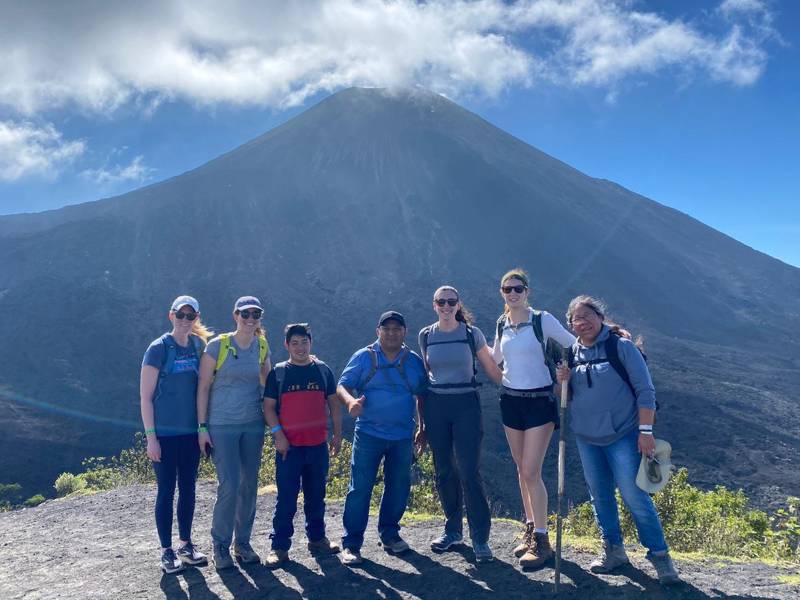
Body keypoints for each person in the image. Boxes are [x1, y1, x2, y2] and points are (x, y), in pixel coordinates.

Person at [557, 295, 680, 585]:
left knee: (634, 496)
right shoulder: (572, 352)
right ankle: (614, 551)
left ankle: (660, 557)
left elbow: (645, 390)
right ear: (571, 325)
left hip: (623, 435)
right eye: (576, 319)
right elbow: (567, 395)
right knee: (600, 496)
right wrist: (562, 380)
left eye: (587, 316)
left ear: (600, 317)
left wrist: (645, 432)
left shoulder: (620, 347)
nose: (582, 322)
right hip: (587, 437)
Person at [489, 269, 575, 569]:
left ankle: (542, 540)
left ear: (527, 292)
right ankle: (530, 529)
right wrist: (465, 339)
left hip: (539, 401)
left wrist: (565, 373)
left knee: (530, 470)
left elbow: (573, 344)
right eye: (507, 289)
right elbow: (496, 358)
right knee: (520, 470)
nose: (513, 294)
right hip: (510, 401)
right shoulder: (502, 324)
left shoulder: (542, 320)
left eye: (518, 289)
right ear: (502, 293)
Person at [416, 285, 503, 562]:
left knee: (469, 472)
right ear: (434, 305)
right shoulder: (426, 335)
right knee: (444, 471)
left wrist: (523, 386)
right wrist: (422, 423)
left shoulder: (471, 334)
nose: (445, 306)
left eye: (450, 301)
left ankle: (480, 539)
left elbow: (492, 370)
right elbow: (427, 376)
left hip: (466, 404)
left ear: (457, 304)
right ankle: (453, 530)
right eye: (440, 301)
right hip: (437, 407)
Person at [337, 311, 427, 566]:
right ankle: (351, 543)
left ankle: (390, 534)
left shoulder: (413, 361)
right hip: (368, 434)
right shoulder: (364, 357)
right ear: (378, 331)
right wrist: (350, 402)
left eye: (396, 328)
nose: (391, 333)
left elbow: (422, 395)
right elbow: (342, 385)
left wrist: (424, 426)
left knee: (398, 486)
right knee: (360, 488)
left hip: (402, 436)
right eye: (386, 328)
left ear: (404, 332)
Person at [197, 296, 272, 570]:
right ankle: (220, 545)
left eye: (255, 313)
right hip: (222, 425)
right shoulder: (218, 346)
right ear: (235, 315)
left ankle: (242, 543)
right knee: (229, 485)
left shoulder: (261, 346)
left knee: (249, 485)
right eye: (245, 313)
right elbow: (203, 387)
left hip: (252, 424)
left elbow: (269, 383)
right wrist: (202, 427)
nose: (250, 318)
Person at [140, 295, 213, 574]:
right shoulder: (158, 349)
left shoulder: (197, 347)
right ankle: (166, 551)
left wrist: (202, 429)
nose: (185, 320)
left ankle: (185, 545)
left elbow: (204, 389)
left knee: (189, 489)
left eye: (190, 316)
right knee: (167, 490)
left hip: (190, 434)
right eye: (180, 315)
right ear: (171, 316)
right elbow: (145, 398)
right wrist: (151, 438)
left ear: (196, 318)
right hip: (165, 436)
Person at [262, 323, 342, 566]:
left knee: (316, 496)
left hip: (317, 446)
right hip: (290, 448)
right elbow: (268, 408)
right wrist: (278, 435)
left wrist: (337, 435)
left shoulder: (322, 371)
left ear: (311, 343)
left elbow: (334, 404)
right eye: (294, 343)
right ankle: (279, 547)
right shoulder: (278, 374)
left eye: (304, 342)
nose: (300, 347)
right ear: (286, 345)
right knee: (286, 498)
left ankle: (317, 540)